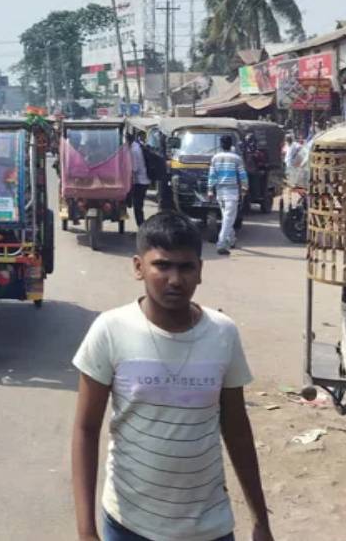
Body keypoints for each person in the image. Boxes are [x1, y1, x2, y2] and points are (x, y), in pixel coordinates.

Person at [71, 213, 273, 541]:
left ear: (200, 271)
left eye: (186, 267)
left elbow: (237, 430)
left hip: (209, 528)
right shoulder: (110, 330)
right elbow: (85, 429)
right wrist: (85, 531)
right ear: (138, 267)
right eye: (162, 266)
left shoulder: (222, 333)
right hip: (129, 525)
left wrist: (261, 521)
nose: (175, 279)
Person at [206, 135, 247, 256]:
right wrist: (244, 188)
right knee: (229, 218)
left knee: (226, 217)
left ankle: (232, 239)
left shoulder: (215, 158)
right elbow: (242, 175)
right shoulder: (236, 158)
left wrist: (210, 189)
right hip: (232, 192)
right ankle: (221, 243)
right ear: (231, 145)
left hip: (220, 192)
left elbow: (212, 175)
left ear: (221, 144)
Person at [128, 131, 151, 227]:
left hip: (140, 181)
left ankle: (141, 226)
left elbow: (134, 168)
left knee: (137, 206)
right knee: (138, 205)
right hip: (144, 180)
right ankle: (141, 225)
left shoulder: (134, 150)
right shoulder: (138, 146)